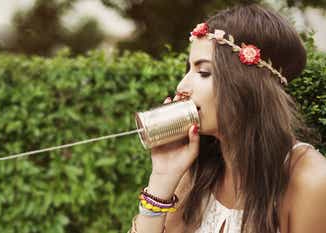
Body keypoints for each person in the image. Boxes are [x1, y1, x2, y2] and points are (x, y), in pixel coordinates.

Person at [128, 4, 326, 233]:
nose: (182, 86)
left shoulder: (312, 182)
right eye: (188, 70)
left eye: (203, 72)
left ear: (249, 85)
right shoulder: (197, 172)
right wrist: (162, 178)